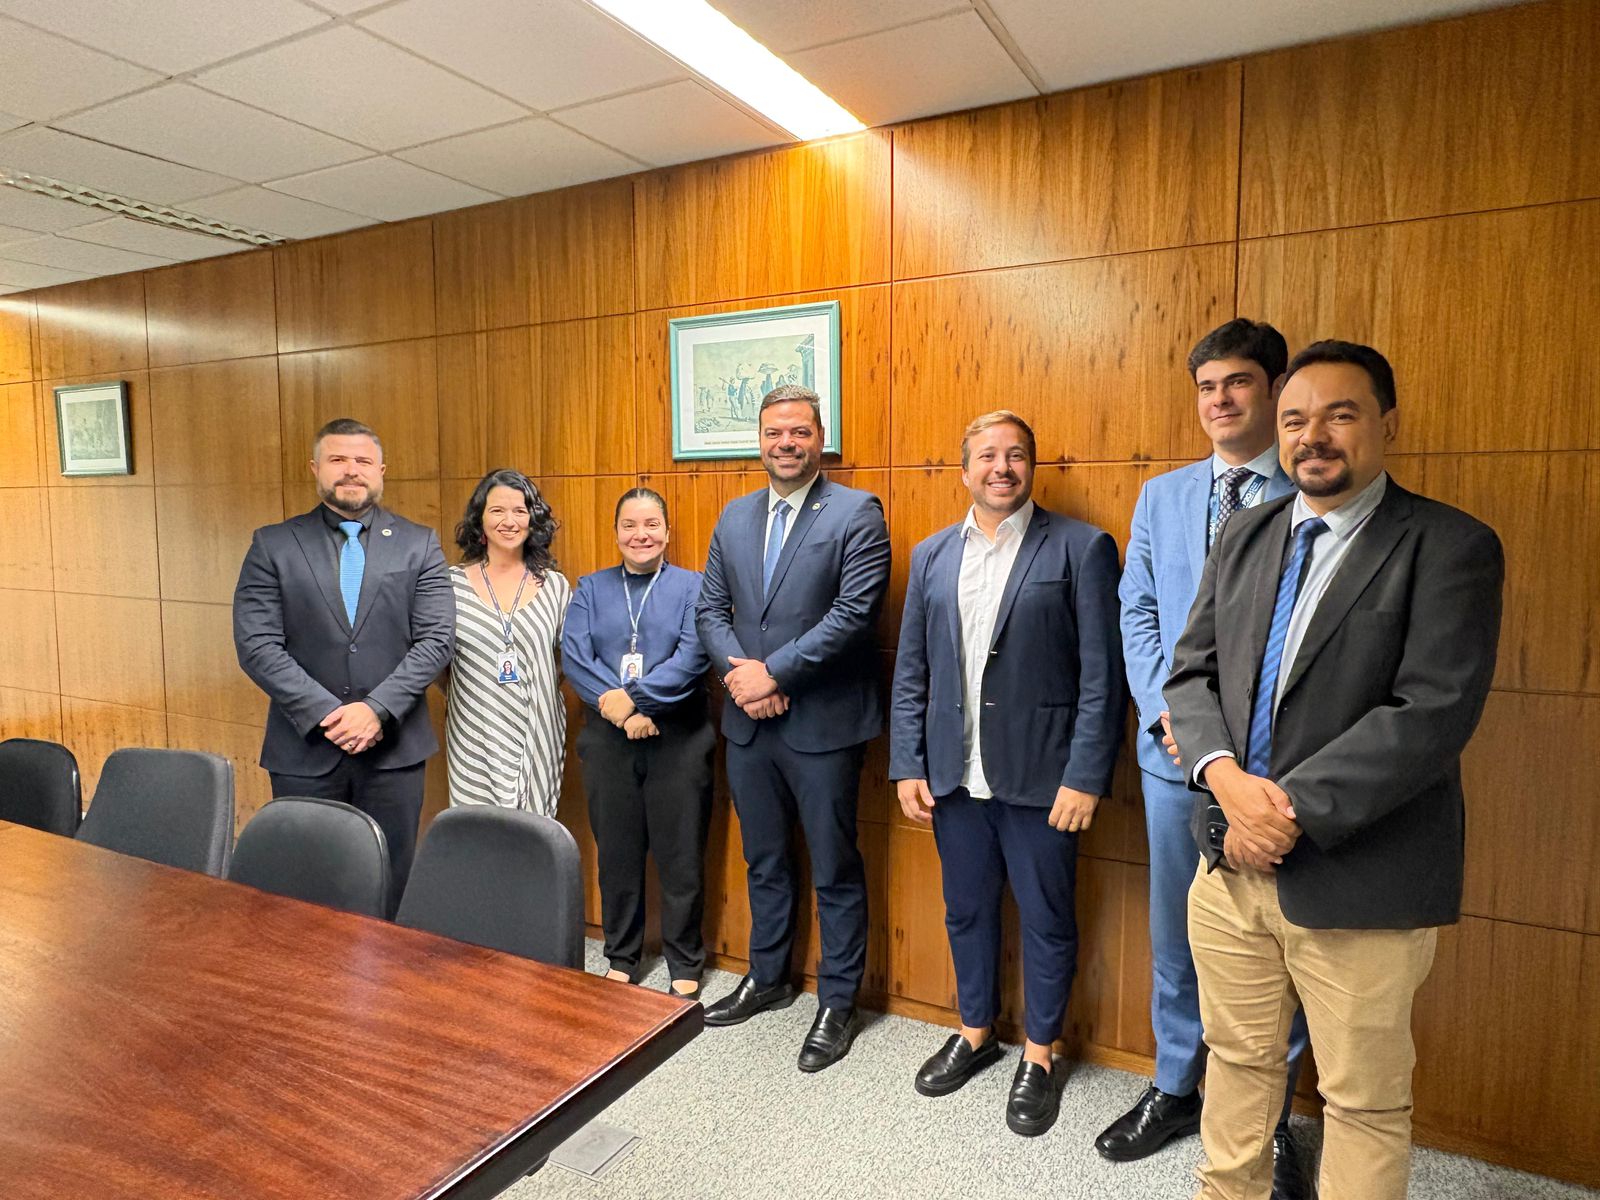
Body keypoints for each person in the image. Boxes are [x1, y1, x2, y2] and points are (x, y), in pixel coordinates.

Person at [1165, 341, 1503, 1200]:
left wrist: (1280, 814)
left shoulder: (1450, 546)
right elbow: (1191, 674)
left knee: (1361, 1101)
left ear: (1387, 424)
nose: (1311, 436)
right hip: (1229, 867)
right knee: (1236, 1062)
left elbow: (1430, 713)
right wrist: (1227, 785)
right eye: (1294, 420)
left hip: (1363, 878)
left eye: (1339, 415)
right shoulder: (1246, 534)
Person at [1100, 318, 1312, 1195]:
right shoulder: (1164, 496)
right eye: (1207, 387)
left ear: (1274, 390)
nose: (1220, 400)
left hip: (1270, 771)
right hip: (1170, 758)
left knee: (1274, 946)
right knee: (1177, 937)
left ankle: (1269, 1122)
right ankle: (1176, 1086)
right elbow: (1138, 611)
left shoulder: (1311, 492)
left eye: (1238, 383)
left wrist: (1231, 739)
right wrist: (1168, 714)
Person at [890, 410, 1125, 1137]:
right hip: (953, 776)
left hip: (1044, 780)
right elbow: (912, 670)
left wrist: (1086, 775)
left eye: (1015, 455)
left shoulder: (1081, 547)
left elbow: (1103, 676)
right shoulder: (932, 555)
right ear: (964, 470)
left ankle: (1040, 1054)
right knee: (965, 911)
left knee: (1048, 919)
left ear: (1031, 467)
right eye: (987, 456)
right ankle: (975, 1033)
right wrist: (907, 763)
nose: (1001, 467)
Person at [695, 383, 890, 1072]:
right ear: (759, 440)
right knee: (765, 860)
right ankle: (768, 976)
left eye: (800, 432)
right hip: (749, 726)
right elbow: (710, 610)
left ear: (820, 439)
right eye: (775, 432)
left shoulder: (857, 512)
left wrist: (773, 675)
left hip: (824, 724)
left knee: (835, 867)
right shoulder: (735, 515)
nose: (786, 443)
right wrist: (742, 680)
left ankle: (838, 1002)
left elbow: (854, 615)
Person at [234, 417, 453, 912]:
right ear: (315, 468)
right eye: (338, 459)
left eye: (362, 461)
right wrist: (330, 714)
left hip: (393, 750)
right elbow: (257, 644)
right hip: (305, 748)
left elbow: (436, 640)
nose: (351, 470)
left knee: (389, 882)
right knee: (305, 884)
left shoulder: (419, 543)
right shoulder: (274, 544)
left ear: (381, 471)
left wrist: (376, 710)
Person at [562, 488, 714, 1000]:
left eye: (651, 525)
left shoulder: (694, 587)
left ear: (667, 532)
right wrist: (623, 711)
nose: (640, 535)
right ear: (616, 532)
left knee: (681, 854)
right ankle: (622, 955)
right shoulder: (590, 588)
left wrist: (638, 702)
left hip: (679, 739)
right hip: (609, 742)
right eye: (629, 525)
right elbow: (576, 656)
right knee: (617, 854)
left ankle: (684, 958)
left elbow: (694, 656)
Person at [444, 469, 568, 817]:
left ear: (533, 519)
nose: (509, 521)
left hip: (539, 730)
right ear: (480, 519)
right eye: (497, 510)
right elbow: (437, 661)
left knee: (533, 833)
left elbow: (563, 660)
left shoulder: (555, 586)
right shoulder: (450, 585)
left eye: (519, 511)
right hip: (474, 730)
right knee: (476, 833)